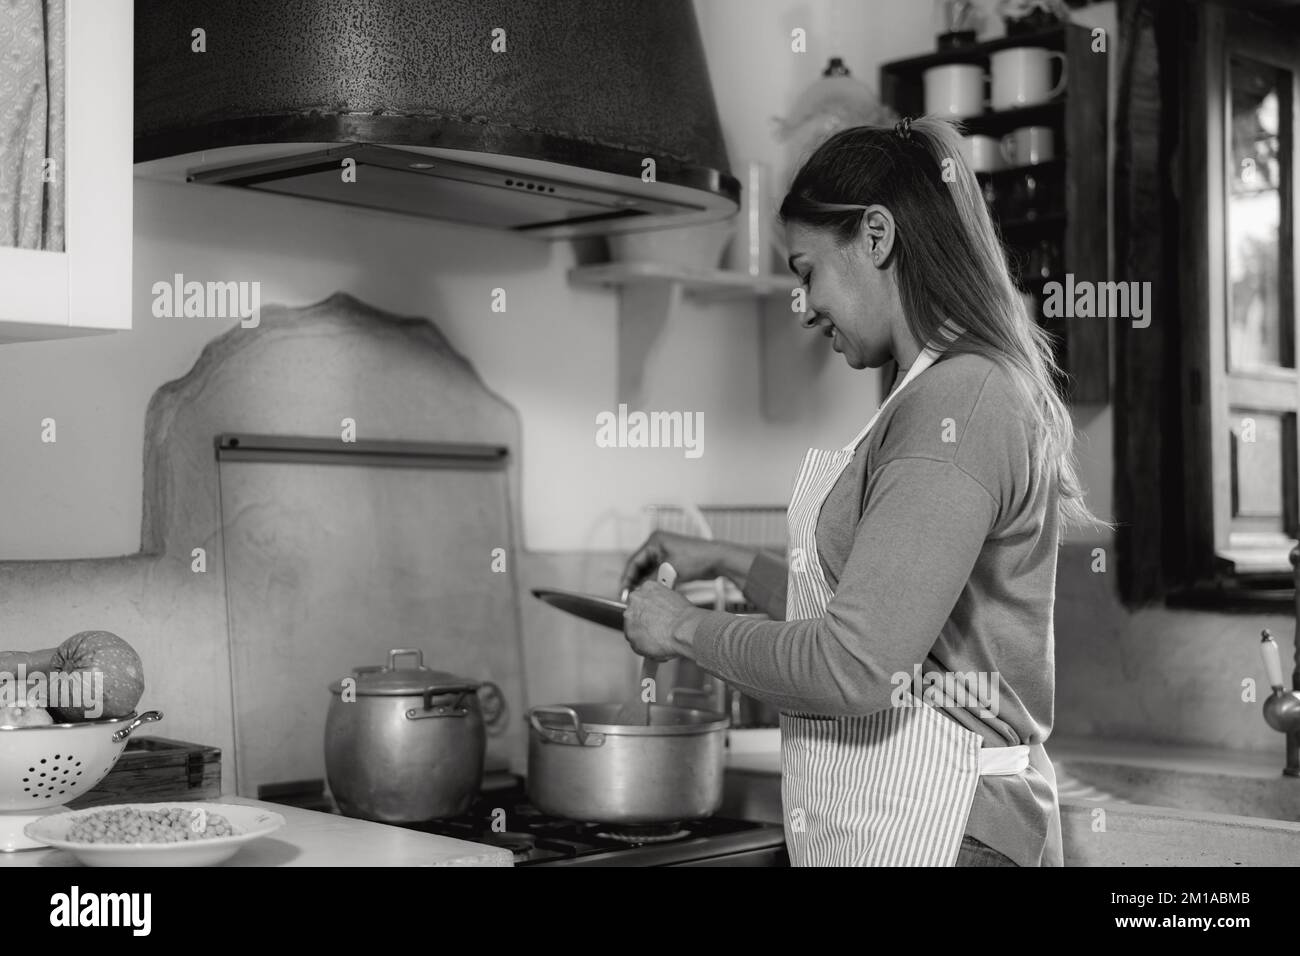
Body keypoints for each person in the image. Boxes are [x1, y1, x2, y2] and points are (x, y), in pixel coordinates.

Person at [619, 116, 1111, 867]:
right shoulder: (939, 393)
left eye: (807, 269)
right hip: (917, 819)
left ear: (876, 237)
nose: (805, 304)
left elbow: (856, 666)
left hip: (948, 826)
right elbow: (883, 616)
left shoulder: (959, 403)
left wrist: (680, 630)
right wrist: (724, 559)